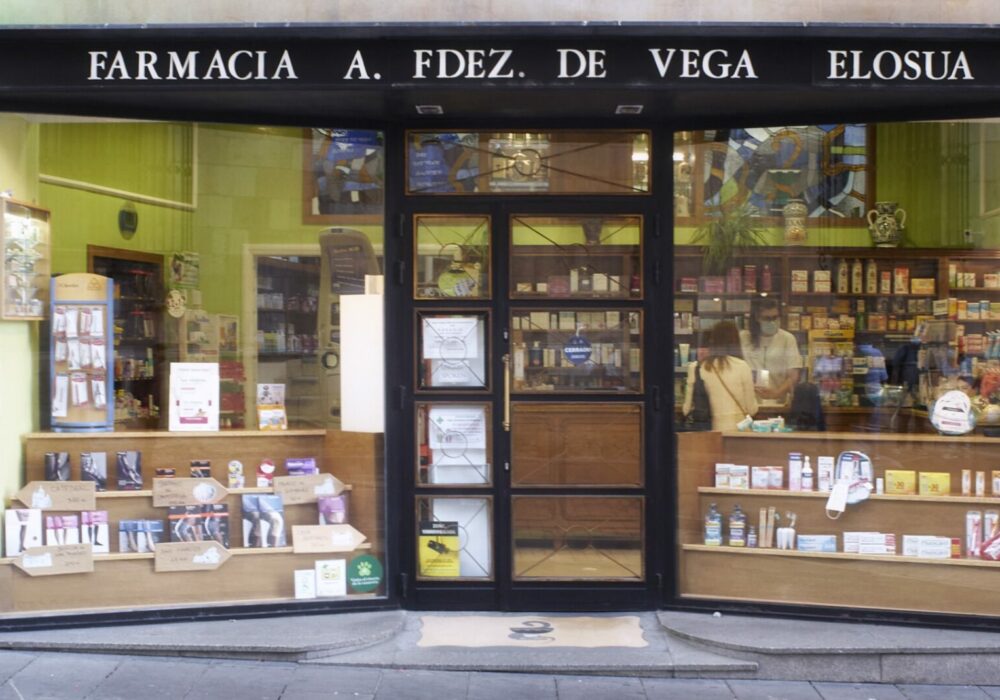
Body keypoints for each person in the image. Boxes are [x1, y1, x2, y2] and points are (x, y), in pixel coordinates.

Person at [684, 321, 758, 431]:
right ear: (736, 341)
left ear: (712, 341)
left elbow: (686, 409)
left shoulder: (696, 368)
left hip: (710, 431)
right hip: (739, 430)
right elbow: (752, 409)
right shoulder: (742, 366)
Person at [740, 297, 803, 403]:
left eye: (775, 317)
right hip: (749, 402)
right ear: (757, 318)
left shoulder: (787, 338)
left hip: (778, 401)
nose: (772, 322)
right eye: (767, 318)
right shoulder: (743, 338)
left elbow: (793, 375)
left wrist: (776, 393)